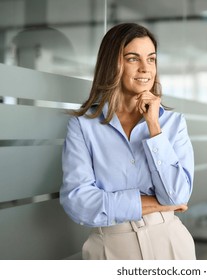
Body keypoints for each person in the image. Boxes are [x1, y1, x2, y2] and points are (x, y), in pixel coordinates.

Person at [60, 23, 196, 260]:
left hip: (170, 244)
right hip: (109, 248)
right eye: (133, 58)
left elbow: (178, 195)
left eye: (151, 59)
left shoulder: (173, 124)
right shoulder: (83, 126)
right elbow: (79, 203)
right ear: (113, 64)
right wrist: (161, 204)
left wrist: (154, 127)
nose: (145, 68)